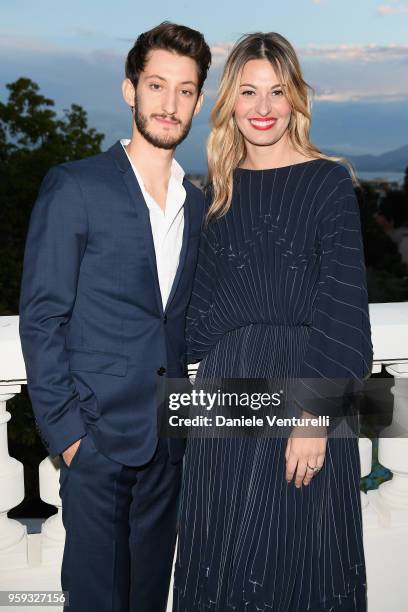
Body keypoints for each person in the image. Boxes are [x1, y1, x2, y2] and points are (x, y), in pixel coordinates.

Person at [173, 32, 373, 611]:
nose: (263, 108)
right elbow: (191, 310)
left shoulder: (328, 182)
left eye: (277, 92)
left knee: (300, 561)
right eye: (248, 92)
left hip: (304, 385)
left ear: (296, 100)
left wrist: (313, 417)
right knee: (220, 554)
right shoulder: (212, 195)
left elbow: (343, 307)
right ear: (229, 101)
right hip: (223, 392)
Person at [19, 21, 211, 612]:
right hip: (96, 442)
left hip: (169, 443)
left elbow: (179, 322)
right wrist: (70, 437)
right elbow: (42, 316)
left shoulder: (197, 202)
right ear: (130, 90)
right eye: (156, 85)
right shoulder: (76, 185)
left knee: (150, 599)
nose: (170, 103)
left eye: (184, 90)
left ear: (198, 101)